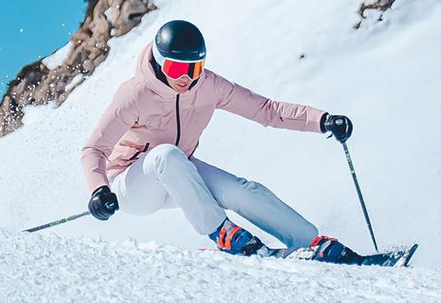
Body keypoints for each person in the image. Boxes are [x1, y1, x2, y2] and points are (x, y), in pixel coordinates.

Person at [80, 20, 369, 263]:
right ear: (158, 62)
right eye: (175, 68)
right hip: (132, 185)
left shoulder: (208, 86)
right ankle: (222, 233)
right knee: (165, 155)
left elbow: (266, 110)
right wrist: (98, 190)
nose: (185, 78)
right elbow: (94, 148)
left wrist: (323, 120)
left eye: (193, 68)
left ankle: (311, 243)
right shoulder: (135, 94)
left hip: (180, 172)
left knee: (242, 190)